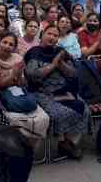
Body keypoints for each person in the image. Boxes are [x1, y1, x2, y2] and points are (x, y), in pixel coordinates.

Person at [25, 26, 89, 159]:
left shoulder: (61, 52)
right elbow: (32, 75)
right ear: (42, 35)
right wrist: (52, 65)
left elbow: (73, 74)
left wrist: (61, 64)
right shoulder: (34, 52)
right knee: (58, 113)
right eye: (49, 34)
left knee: (84, 109)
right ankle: (62, 141)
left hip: (64, 90)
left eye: (55, 35)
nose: (52, 37)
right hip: (42, 91)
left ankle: (69, 142)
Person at [0, 33, 50, 140]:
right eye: (4, 42)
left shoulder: (17, 58)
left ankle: (28, 144)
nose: (7, 46)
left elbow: (22, 83)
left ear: (14, 48)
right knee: (16, 111)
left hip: (17, 91)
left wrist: (19, 75)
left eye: (11, 44)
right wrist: (12, 74)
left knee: (37, 111)